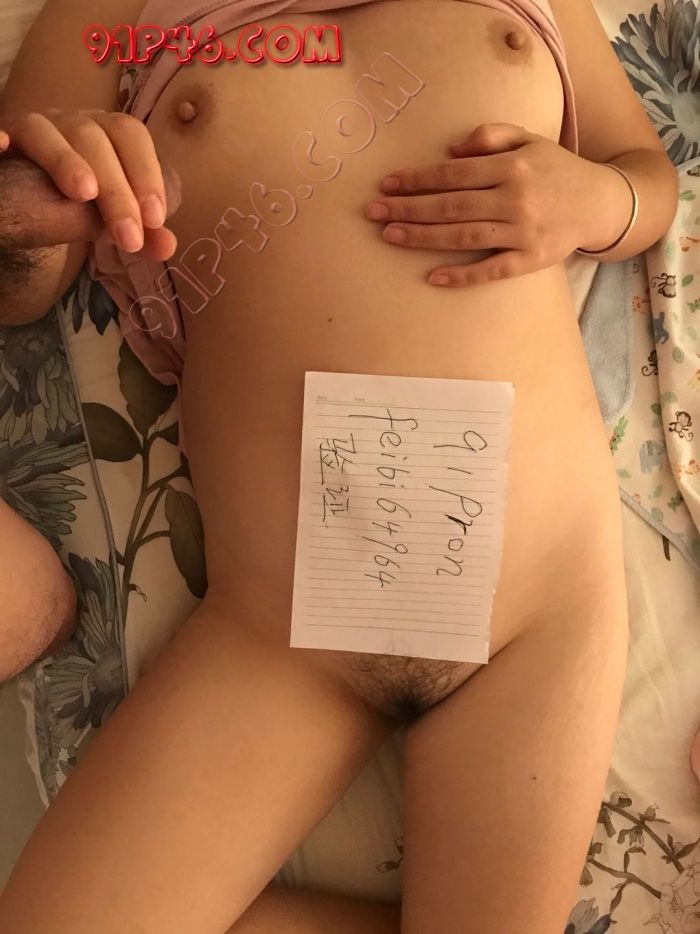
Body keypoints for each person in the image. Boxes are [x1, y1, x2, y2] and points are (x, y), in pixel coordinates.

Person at [0, 0, 679, 930]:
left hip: (535, 613)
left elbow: (647, 173)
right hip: (285, 635)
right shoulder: (110, 12)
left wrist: (599, 202)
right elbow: (19, 285)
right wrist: (32, 203)